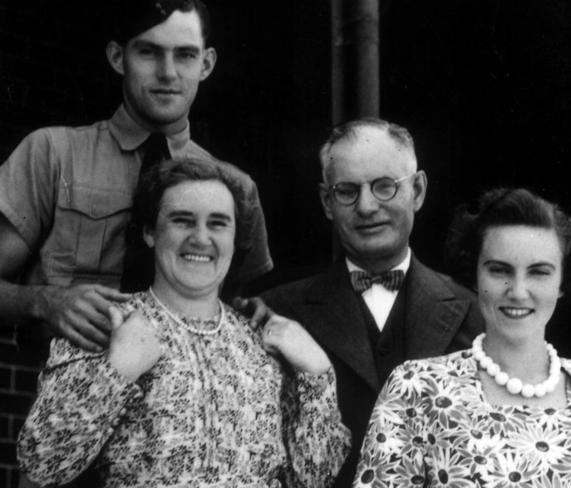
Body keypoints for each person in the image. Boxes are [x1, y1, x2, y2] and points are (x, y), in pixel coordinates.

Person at [17, 158, 350, 487]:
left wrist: (319, 373)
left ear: (235, 239)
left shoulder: (261, 342)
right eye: (182, 220)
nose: (201, 238)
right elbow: (42, 464)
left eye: (218, 223)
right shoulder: (106, 326)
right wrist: (116, 371)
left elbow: (314, 477)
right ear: (150, 232)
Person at [0, 0, 272, 353]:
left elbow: (237, 312)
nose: (168, 73)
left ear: (207, 64)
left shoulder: (234, 188)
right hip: (66, 394)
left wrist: (253, 313)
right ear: (117, 57)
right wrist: (45, 301)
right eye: (149, 52)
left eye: (186, 55)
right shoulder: (52, 154)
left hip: (182, 400)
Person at [354, 187, 571, 487]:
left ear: (563, 281)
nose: (518, 291)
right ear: (475, 276)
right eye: (499, 270)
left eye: (539, 272)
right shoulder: (416, 390)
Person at [262, 118, 483, 486]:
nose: (366, 207)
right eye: (347, 191)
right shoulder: (278, 310)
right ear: (327, 201)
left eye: (384, 187)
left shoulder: (475, 314)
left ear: (417, 190)